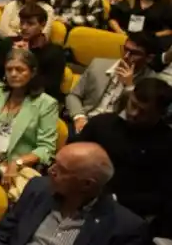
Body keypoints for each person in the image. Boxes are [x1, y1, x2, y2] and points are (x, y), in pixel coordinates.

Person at [0, 143, 149, 245]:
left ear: (86, 184)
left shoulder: (124, 228)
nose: (50, 170)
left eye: (60, 170)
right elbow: (0, 234)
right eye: (54, 163)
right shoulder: (38, 188)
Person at [73, 78, 172, 239]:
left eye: (144, 112)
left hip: (127, 216)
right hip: (79, 200)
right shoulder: (101, 124)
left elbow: (164, 196)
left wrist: (114, 199)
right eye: (133, 105)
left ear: (160, 114)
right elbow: (71, 155)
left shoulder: (167, 144)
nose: (133, 114)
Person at [0, 49, 59, 192]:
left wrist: (18, 163)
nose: (13, 74)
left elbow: (46, 148)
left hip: (7, 164)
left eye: (20, 70)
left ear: (33, 72)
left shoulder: (46, 104)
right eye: (9, 69)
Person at [66, 33, 160, 133]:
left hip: (116, 132)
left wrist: (129, 87)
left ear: (149, 58)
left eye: (134, 53)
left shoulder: (152, 83)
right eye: (125, 49)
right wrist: (79, 117)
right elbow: (74, 95)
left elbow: (137, 119)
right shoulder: (98, 64)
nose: (126, 56)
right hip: (85, 121)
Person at [0, 3, 65, 101]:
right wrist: (11, 56)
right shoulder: (9, 43)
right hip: (1, 95)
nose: (24, 27)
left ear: (43, 24)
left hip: (31, 101)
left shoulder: (54, 53)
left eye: (30, 23)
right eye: (22, 22)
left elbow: (50, 89)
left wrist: (26, 59)